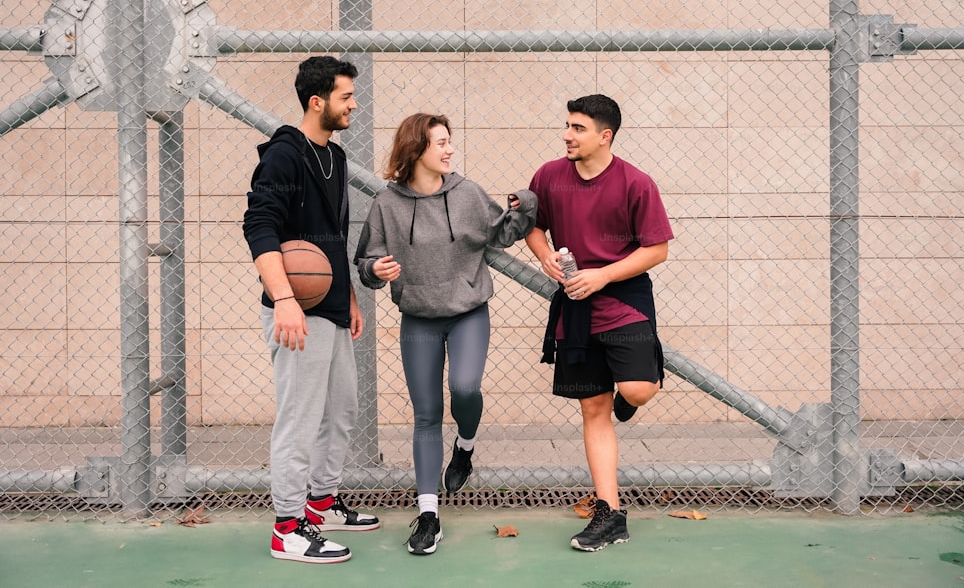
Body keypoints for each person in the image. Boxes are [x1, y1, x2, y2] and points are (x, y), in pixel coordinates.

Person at [354, 113, 537, 555]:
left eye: (450, 142)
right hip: (418, 317)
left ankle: (466, 446)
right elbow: (366, 262)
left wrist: (526, 202)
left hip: (467, 311)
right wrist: (375, 270)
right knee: (426, 413)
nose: (450, 150)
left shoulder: (468, 193)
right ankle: (429, 514)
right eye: (441, 143)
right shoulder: (387, 205)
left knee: (465, 387)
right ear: (416, 149)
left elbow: (505, 231)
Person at [242, 56, 380, 565]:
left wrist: (347, 296)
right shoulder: (283, 155)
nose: (354, 105)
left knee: (341, 409)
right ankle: (287, 528)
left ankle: (320, 502)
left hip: (331, 308)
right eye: (346, 97)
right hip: (295, 309)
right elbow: (259, 226)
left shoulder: (336, 159)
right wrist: (283, 299)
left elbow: (333, 238)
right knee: (299, 419)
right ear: (317, 101)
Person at [526, 94, 673, 552]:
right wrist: (544, 255)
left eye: (578, 128)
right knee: (593, 409)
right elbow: (533, 225)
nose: (567, 135)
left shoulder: (636, 182)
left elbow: (657, 249)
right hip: (576, 304)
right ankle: (610, 512)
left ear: (604, 136)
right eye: (567, 126)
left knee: (636, 391)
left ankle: (639, 376)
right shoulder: (549, 176)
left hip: (624, 298)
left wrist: (604, 274)